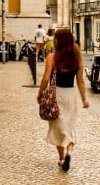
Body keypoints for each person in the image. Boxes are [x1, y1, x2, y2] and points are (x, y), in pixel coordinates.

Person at [37, 28, 89, 172]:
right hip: (71, 95)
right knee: (70, 127)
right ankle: (69, 153)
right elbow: (80, 81)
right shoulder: (77, 58)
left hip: (57, 95)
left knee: (57, 127)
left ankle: (61, 158)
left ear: (58, 41)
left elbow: (46, 77)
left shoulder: (52, 57)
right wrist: (84, 99)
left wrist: (40, 93)